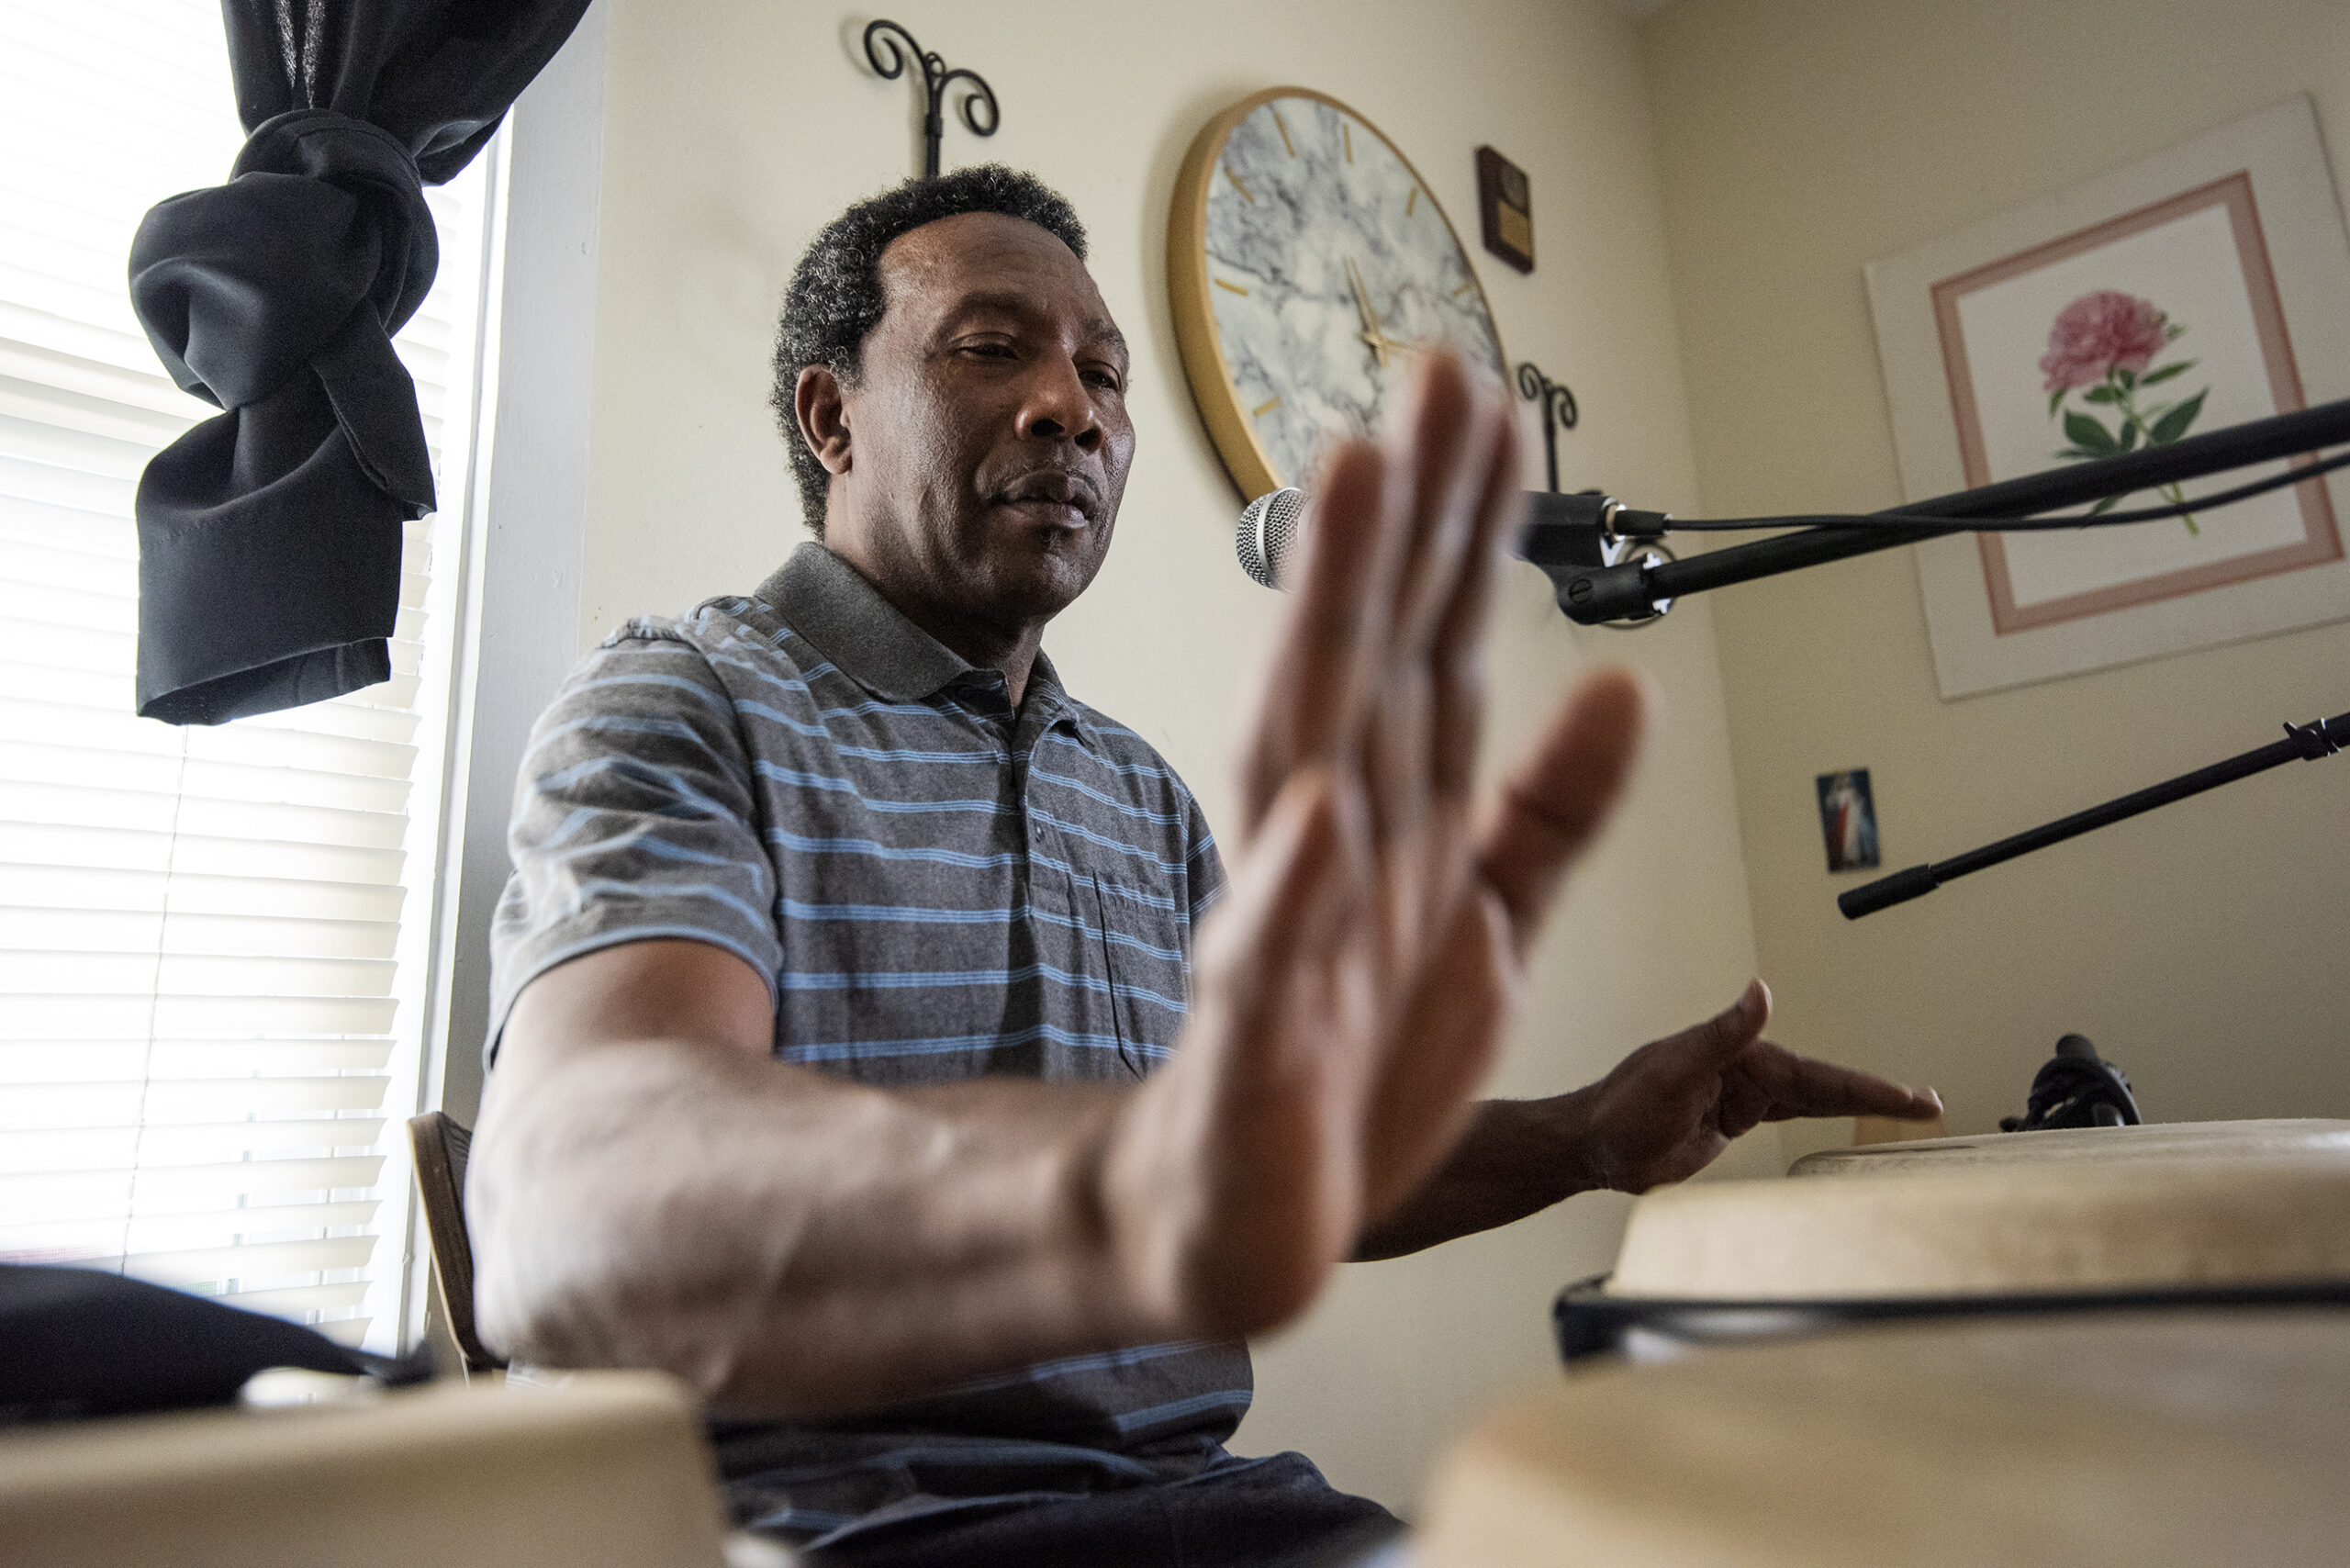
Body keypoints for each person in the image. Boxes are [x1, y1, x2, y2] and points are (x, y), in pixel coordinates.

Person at [466, 166, 1939, 1566]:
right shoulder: (683, 705)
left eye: (1104, 375)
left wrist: (1586, 1140)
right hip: (836, 1527)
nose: (1071, 409)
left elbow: (1277, 1167)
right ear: (832, 418)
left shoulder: (1143, 798)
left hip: (1198, 1506)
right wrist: (1120, 1183)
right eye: (992, 351)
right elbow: (582, 1193)